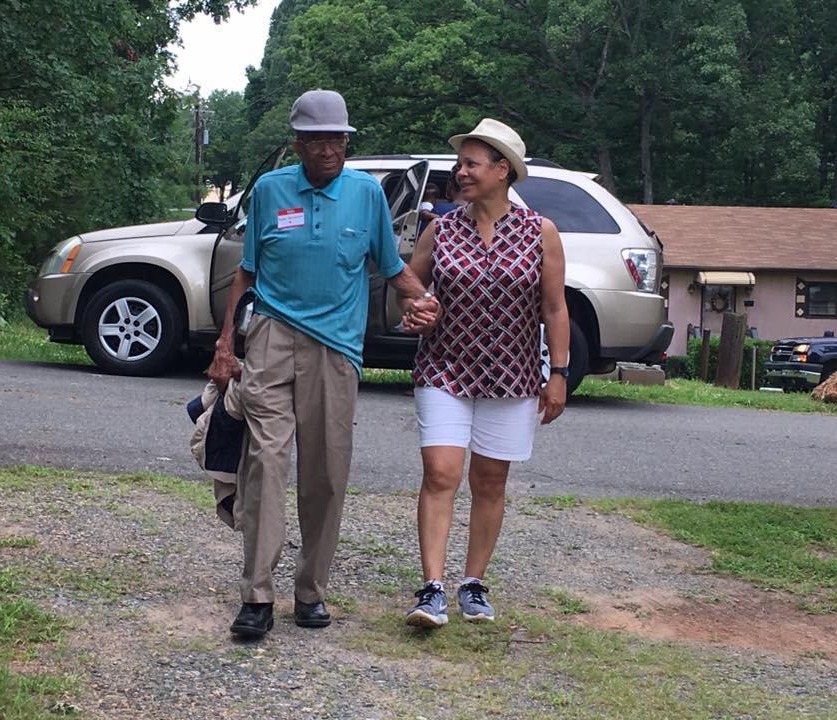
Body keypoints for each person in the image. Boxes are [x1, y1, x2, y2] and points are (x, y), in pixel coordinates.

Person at [208, 89, 439, 639]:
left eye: (337, 138)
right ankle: (257, 596)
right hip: (271, 336)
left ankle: (310, 591)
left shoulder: (366, 195)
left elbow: (390, 266)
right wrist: (225, 344)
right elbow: (247, 272)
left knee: (327, 473)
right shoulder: (269, 190)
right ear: (299, 143)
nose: (329, 149)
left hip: (336, 349)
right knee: (265, 460)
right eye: (317, 140)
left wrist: (419, 300)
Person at [400, 118, 570, 627]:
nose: (461, 172)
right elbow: (409, 282)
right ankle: (431, 588)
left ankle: (472, 584)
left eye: (471, 164)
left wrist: (557, 373)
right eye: (461, 163)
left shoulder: (541, 233)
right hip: (444, 369)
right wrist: (415, 307)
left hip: (513, 376)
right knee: (441, 473)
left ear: (503, 170)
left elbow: (555, 309)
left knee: (491, 481)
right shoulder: (442, 227)